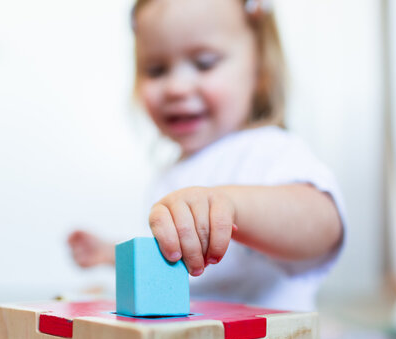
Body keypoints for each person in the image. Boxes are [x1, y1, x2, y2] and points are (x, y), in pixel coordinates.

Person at [68, 0, 345, 311]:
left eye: (204, 63)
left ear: (260, 71)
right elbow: (175, 260)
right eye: (156, 70)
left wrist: (231, 206)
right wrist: (112, 253)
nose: (175, 87)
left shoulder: (268, 148)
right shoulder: (172, 173)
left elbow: (324, 225)